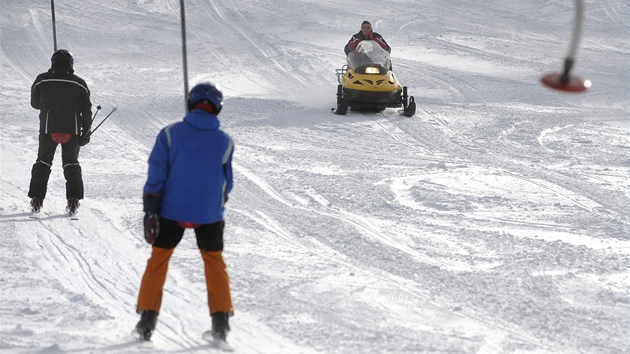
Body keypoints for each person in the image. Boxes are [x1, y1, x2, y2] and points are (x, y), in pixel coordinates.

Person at [134, 82, 235, 343]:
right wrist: (214, 202)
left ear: (192, 104)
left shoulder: (169, 134)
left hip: (171, 211)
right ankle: (221, 323)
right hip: (209, 214)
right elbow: (228, 184)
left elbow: (156, 176)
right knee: (214, 263)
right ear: (217, 109)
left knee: (158, 260)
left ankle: (146, 321)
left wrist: (151, 211)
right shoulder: (225, 141)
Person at [28, 49, 92, 215]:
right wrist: (86, 132)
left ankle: (37, 199)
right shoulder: (79, 83)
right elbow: (86, 110)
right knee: (71, 164)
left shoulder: (42, 80)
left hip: (48, 129)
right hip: (72, 131)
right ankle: (73, 201)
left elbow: (34, 103)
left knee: (43, 162)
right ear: (71, 64)